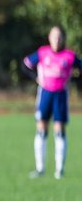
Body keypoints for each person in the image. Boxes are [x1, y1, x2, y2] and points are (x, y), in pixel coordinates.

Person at [23, 26, 81, 179]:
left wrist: (73, 80)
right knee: (41, 128)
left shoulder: (69, 56)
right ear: (49, 37)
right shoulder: (43, 53)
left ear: (64, 38)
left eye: (60, 36)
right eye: (54, 36)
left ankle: (59, 170)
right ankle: (40, 168)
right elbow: (26, 64)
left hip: (60, 95)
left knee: (59, 130)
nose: (57, 39)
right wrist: (35, 77)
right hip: (45, 94)